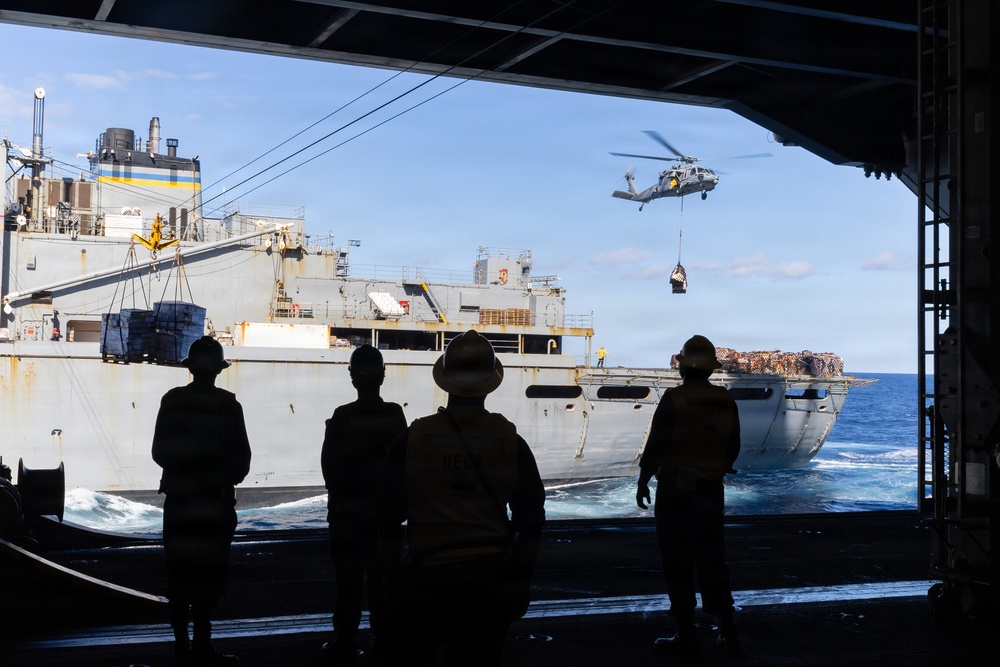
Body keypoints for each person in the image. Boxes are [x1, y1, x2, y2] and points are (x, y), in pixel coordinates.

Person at [377, 329, 546, 667]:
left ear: (445, 378)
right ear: (491, 381)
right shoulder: (510, 441)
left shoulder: (415, 436)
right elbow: (531, 519)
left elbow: (386, 513)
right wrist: (520, 581)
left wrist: (389, 578)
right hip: (488, 582)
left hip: (426, 578)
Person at [636, 334, 741, 659]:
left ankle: (686, 635)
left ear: (683, 366)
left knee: (677, 561)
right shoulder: (726, 399)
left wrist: (643, 480)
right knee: (713, 561)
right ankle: (729, 632)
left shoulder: (675, 398)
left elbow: (655, 445)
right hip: (711, 491)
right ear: (710, 369)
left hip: (676, 492)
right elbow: (734, 446)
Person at [152, 336, 252, 667]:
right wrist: (218, 476)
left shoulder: (172, 400)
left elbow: (159, 452)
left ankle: (181, 649)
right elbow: (242, 461)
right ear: (219, 370)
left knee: (179, 577)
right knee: (209, 577)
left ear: (190, 368)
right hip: (213, 504)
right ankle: (202, 648)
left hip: (179, 503)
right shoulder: (229, 405)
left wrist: (185, 471)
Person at [320, 345, 407, 664]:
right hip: (384, 519)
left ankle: (344, 642)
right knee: (384, 586)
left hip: (347, 518)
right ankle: (383, 643)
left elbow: (329, 469)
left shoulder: (342, 416)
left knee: (348, 587)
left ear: (353, 378)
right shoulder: (394, 414)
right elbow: (404, 465)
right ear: (382, 377)